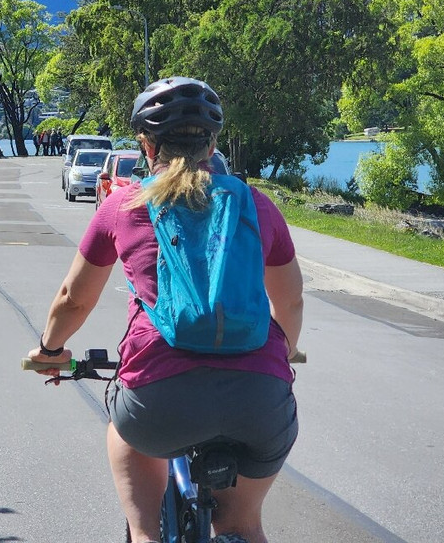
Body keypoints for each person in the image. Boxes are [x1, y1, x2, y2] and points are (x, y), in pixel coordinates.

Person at [27, 76, 304, 543]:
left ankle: (146, 535)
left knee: (138, 491)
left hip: (158, 401)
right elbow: (290, 299)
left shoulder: (122, 206)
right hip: (260, 399)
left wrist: (50, 349)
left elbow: (75, 298)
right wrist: (287, 349)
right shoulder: (256, 204)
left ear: (145, 145)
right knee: (242, 524)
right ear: (213, 142)